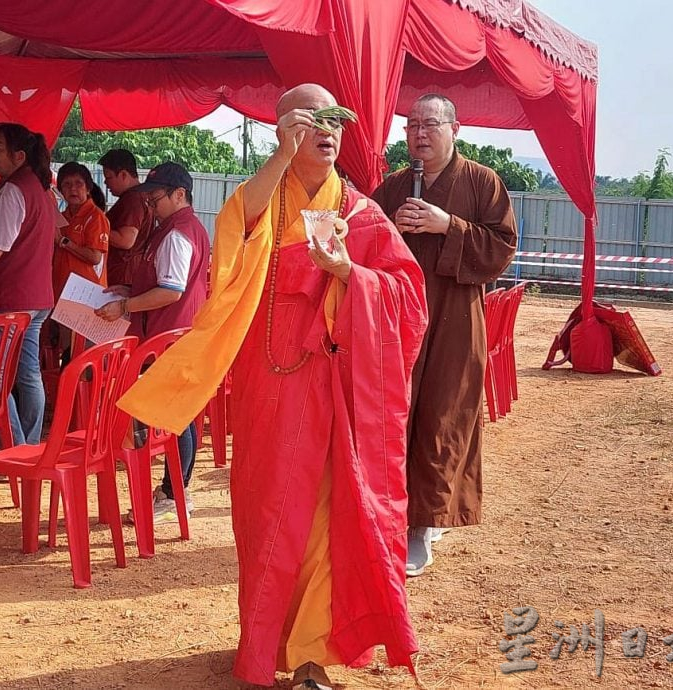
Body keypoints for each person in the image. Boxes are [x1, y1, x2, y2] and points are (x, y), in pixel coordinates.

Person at [115, 85, 427, 689]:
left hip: (337, 385)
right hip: (271, 384)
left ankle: (312, 656)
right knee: (268, 517)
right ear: (284, 131)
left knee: (326, 518)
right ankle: (264, 644)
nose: (327, 129)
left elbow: (408, 297)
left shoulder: (360, 212)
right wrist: (279, 158)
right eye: (311, 120)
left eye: (336, 119)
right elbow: (232, 247)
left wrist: (350, 274)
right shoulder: (264, 204)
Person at [371, 93, 517, 577]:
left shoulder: (481, 183)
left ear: (456, 129)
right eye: (411, 125)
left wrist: (448, 226)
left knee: (441, 416)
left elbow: (502, 247)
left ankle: (424, 524)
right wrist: (391, 228)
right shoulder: (392, 187)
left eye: (430, 124)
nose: (419, 133)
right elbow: (364, 240)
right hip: (401, 320)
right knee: (398, 412)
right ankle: (393, 516)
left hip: (455, 316)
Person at [96, 162, 209, 524]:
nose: (150, 205)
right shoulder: (182, 228)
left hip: (167, 335)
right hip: (174, 332)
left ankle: (175, 492)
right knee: (180, 416)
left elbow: (171, 291)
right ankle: (175, 490)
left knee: (176, 417)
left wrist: (125, 305)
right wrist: (129, 290)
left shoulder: (177, 232)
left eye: (155, 197)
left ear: (180, 194)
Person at [0, 122, 56, 445]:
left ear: (19, 155)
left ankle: (15, 445)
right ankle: (29, 445)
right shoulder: (37, 188)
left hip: (11, 297)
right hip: (37, 297)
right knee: (27, 373)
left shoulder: (13, 190)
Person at [52, 161, 109, 299]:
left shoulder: (95, 216)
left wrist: (64, 242)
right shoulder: (62, 217)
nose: (73, 189)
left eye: (79, 184)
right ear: (60, 190)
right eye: (67, 184)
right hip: (60, 291)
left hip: (85, 295)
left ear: (88, 188)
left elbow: (95, 257)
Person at [98, 148, 153, 289]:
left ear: (123, 174)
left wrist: (97, 228)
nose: (105, 182)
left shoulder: (133, 199)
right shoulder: (143, 195)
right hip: (129, 274)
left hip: (122, 277)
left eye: (109, 177)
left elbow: (126, 240)